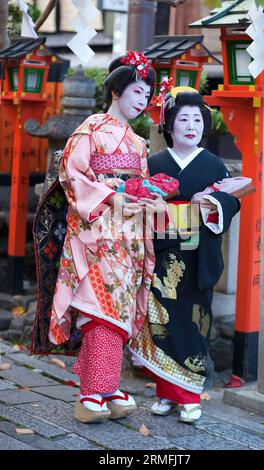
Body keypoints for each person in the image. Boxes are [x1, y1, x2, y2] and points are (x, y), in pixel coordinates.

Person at [45, 51, 168, 424]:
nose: (141, 100)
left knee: (123, 308)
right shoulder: (92, 128)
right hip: (98, 232)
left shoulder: (136, 140)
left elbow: (142, 184)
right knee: (103, 308)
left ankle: (106, 386)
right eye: (135, 91)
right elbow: (71, 172)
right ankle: (91, 394)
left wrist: (150, 194)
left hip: (129, 234)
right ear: (116, 91)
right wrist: (110, 194)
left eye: (146, 95)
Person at [129, 87, 241, 423]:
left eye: (196, 119)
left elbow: (232, 201)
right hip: (161, 255)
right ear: (169, 126)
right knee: (162, 323)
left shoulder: (213, 165)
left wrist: (212, 203)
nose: (190, 125)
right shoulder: (153, 163)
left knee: (193, 323)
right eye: (183, 119)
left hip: (196, 259)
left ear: (204, 125)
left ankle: (190, 397)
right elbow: (136, 204)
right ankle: (165, 393)